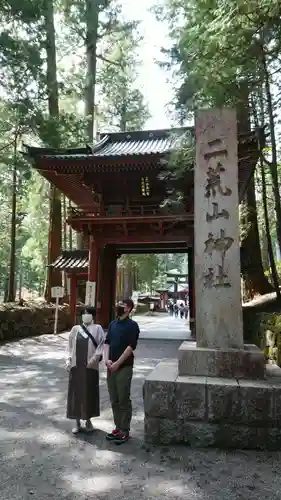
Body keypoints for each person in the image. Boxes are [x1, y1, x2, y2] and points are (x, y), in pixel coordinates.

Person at [104, 299, 140, 445]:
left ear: (128, 308)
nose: (118, 306)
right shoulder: (113, 324)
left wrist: (118, 363)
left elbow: (131, 346)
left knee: (123, 398)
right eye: (117, 304)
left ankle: (125, 430)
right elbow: (107, 342)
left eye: (122, 305)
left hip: (124, 367)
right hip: (111, 366)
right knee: (114, 399)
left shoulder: (132, 326)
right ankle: (118, 427)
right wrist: (107, 360)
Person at [66, 306, 105, 435]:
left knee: (89, 392)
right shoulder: (75, 329)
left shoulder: (97, 328)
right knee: (75, 393)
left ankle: (88, 420)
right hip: (76, 366)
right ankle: (76, 422)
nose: (86, 315)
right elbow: (70, 347)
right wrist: (68, 360)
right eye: (84, 313)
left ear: (93, 315)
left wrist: (94, 359)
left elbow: (101, 346)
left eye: (88, 313)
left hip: (90, 366)